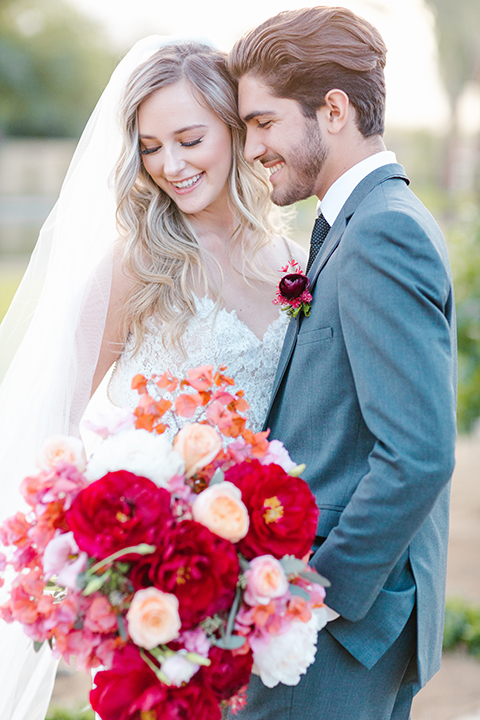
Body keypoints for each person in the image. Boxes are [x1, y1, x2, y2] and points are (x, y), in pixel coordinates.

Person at [0, 37, 303, 720]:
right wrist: (92, 561)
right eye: (151, 146)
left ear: (233, 128)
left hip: (260, 577)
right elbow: (56, 416)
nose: (171, 165)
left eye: (190, 139)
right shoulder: (135, 265)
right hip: (160, 584)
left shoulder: (295, 265)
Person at [227, 6, 457, 720]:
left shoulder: (382, 232)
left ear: (332, 110)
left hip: (343, 627)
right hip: (346, 625)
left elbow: (418, 454)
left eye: (263, 122)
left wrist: (309, 598)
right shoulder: (357, 223)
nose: (253, 146)